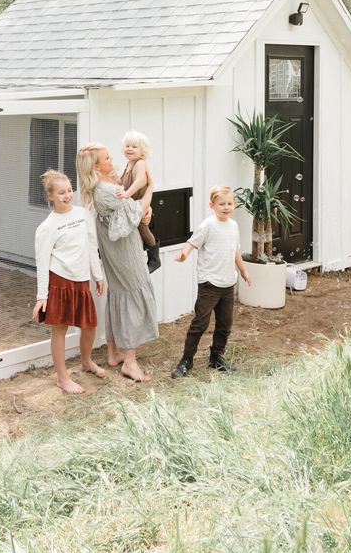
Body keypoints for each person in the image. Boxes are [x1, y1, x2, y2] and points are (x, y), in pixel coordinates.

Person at [77, 143, 158, 382]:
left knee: (120, 292)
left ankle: (114, 352)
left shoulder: (105, 185)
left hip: (114, 246)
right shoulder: (105, 190)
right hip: (123, 249)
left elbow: (134, 210)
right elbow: (135, 209)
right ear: (96, 166)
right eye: (107, 158)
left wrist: (145, 208)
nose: (113, 160)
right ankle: (130, 362)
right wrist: (151, 188)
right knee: (133, 290)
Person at [33, 169, 106, 394]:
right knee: (60, 329)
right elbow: (42, 263)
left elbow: (92, 246)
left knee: (90, 324)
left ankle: (86, 361)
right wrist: (41, 297)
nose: (67, 196)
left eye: (69, 191)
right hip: (60, 280)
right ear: (50, 196)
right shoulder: (47, 227)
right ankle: (62, 378)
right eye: (61, 193)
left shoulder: (84, 214)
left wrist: (98, 275)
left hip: (82, 279)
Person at [171, 185, 252, 378]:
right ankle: (186, 361)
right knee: (200, 323)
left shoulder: (233, 226)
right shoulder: (208, 225)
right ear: (212, 205)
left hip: (227, 284)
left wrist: (243, 271)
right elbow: (193, 242)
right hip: (209, 284)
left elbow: (236, 252)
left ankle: (216, 358)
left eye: (230, 203)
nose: (226, 207)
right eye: (221, 204)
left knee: (225, 324)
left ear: (235, 204)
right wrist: (184, 254)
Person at [115, 130, 161, 273]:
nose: (129, 149)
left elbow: (140, 181)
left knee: (143, 227)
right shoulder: (128, 164)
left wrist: (126, 194)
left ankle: (154, 258)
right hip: (133, 203)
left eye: (134, 147)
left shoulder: (140, 163)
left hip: (139, 202)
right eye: (127, 146)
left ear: (143, 151)